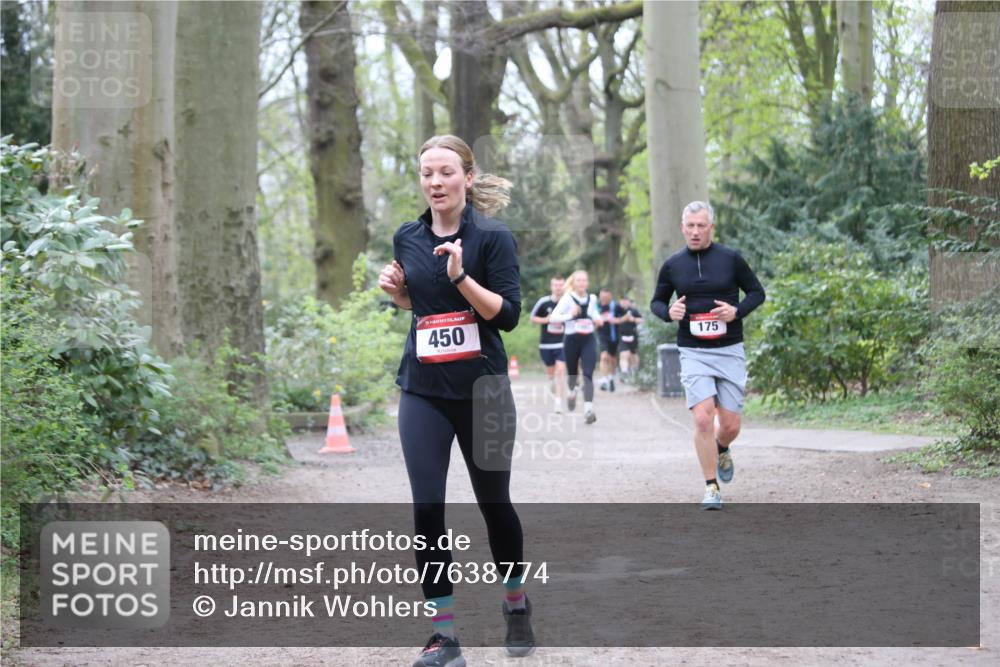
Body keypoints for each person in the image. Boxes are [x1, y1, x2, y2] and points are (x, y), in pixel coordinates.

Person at [378, 135, 534, 666]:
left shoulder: (492, 238)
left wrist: (461, 276)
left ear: (467, 177)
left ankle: (515, 604)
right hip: (423, 389)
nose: (435, 183)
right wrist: (399, 293)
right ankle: (443, 637)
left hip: (483, 391)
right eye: (427, 173)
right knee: (426, 508)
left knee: (495, 506)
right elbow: (422, 306)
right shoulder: (408, 235)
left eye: (446, 172)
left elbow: (507, 316)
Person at [649, 201, 765, 510]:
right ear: (682, 228)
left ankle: (722, 446)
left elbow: (757, 293)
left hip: (729, 349)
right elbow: (657, 302)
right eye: (690, 226)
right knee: (702, 418)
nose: (696, 231)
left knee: (729, 425)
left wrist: (737, 311)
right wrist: (668, 312)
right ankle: (711, 486)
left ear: (711, 227)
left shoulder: (730, 259)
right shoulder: (673, 265)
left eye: (701, 226)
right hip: (693, 350)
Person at [548, 270, 603, 424]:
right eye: (578, 280)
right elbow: (553, 318)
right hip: (571, 340)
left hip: (588, 339)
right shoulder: (567, 299)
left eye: (584, 280)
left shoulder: (592, 298)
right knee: (572, 375)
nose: (582, 283)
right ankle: (572, 391)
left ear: (587, 282)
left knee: (588, 373)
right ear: (574, 283)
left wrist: (598, 319)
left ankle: (588, 410)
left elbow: (594, 313)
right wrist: (570, 316)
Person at [529, 276, 568, 412]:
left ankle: (558, 403)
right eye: (556, 285)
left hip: (562, 343)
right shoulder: (543, 302)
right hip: (546, 344)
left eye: (561, 285)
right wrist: (547, 320)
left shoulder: (568, 302)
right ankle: (552, 383)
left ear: (564, 286)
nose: (558, 288)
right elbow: (532, 318)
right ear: (551, 287)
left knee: (561, 371)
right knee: (551, 375)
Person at [596, 288, 626, 392]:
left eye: (606, 297)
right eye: (602, 297)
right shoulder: (597, 306)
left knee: (612, 359)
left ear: (610, 296)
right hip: (602, 336)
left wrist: (615, 320)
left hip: (614, 337)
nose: (603, 299)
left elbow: (625, 317)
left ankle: (611, 378)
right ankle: (605, 379)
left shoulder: (615, 306)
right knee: (604, 356)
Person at [617, 296, 643, 382]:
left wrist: (633, 319)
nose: (624, 303)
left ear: (628, 302)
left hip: (633, 336)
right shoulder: (617, 310)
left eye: (626, 301)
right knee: (624, 354)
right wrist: (623, 318)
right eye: (622, 301)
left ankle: (634, 372)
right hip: (622, 336)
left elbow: (642, 320)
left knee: (633, 356)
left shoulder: (633, 311)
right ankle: (625, 372)